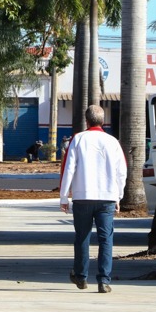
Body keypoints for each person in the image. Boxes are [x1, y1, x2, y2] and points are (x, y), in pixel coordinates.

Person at [59, 105, 128, 293]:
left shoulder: (78, 139)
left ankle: (81, 276)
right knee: (106, 239)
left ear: (86, 120)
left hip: (83, 197)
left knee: (82, 237)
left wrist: (64, 196)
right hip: (107, 198)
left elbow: (68, 168)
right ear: (102, 121)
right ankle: (104, 280)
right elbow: (121, 171)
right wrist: (118, 196)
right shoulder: (112, 141)